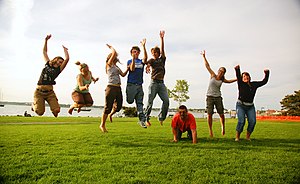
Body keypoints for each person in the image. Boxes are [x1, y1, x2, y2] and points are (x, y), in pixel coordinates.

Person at [201, 50, 237, 137]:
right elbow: (207, 66)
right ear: (218, 71)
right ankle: (210, 131)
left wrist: (237, 79)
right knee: (209, 114)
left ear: (224, 73)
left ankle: (223, 127)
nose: (220, 72)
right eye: (220, 70)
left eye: (222, 71)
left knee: (221, 114)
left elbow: (229, 81)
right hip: (209, 97)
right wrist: (204, 57)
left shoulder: (222, 80)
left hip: (218, 98)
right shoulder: (213, 75)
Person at [32, 34, 69, 117]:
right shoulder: (48, 64)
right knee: (40, 113)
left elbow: (67, 59)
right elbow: (44, 52)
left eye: (61, 63)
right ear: (55, 59)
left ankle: (54, 111)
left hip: (50, 93)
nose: (60, 63)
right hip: (39, 92)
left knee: (57, 110)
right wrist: (46, 40)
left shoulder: (59, 70)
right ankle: (34, 105)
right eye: (60, 61)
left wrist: (65, 50)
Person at [234, 65, 270, 141]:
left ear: (249, 78)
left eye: (247, 77)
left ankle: (248, 137)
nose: (245, 78)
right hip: (240, 105)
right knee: (241, 121)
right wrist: (237, 69)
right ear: (242, 78)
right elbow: (238, 76)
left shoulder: (254, 85)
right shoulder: (240, 84)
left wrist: (267, 73)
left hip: (250, 106)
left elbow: (264, 82)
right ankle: (237, 137)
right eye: (244, 77)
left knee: (252, 121)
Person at [99, 44, 129, 133]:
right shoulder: (108, 65)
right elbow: (114, 52)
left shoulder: (116, 67)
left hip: (118, 88)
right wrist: (111, 48)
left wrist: (128, 68)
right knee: (107, 107)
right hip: (111, 87)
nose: (115, 57)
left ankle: (110, 115)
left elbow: (123, 75)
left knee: (119, 106)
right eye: (113, 57)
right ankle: (102, 125)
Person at [144, 30, 169, 126]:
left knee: (166, 101)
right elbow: (148, 63)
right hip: (154, 83)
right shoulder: (152, 60)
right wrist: (148, 66)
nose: (154, 54)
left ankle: (161, 117)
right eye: (153, 53)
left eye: (155, 53)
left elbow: (163, 51)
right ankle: (146, 119)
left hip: (161, 83)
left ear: (158, 53)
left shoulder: (162, 60)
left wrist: (162, 39)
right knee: (150, 102)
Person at [126, 39, 148, 128]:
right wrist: (133, 58)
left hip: (139, 86)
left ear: (139, 53)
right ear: (131, 53)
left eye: (136, 52)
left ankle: (142, 121)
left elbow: (145, 58)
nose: (135, 53)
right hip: (131, 85)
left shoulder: (141, 61)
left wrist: (143, 46)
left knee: (140, 104)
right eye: (133, 52)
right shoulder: (129, 61)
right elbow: (132, 69)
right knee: (130, 101)